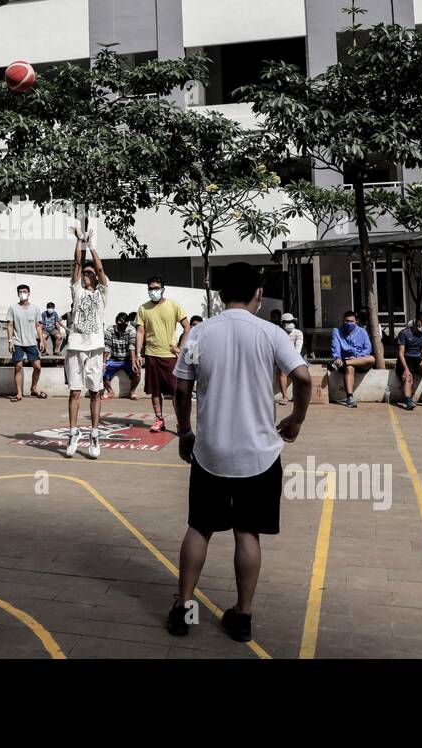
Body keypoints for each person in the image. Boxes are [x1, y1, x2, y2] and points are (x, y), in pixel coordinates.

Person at [167, 262, 311, 642]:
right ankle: (242, 616)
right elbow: (304, 377)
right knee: (248, 532)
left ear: (218, 294)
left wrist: (184, 432)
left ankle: (183, 609)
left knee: (199, 527)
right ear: (258, 296)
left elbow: (180, 389)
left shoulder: (200, 333)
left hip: (210, 452)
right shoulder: (271, 333)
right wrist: (296, 418)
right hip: (259, 455)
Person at [64, 228, 109, 458]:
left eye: (90, 273)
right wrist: (80, 242)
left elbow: (99, 269)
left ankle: (94, 433)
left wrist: (92, 245)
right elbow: (77, 263)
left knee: (95, 392)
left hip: (94, 348)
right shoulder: (78, 293)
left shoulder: (102, 294)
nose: (86, 275)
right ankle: (73, 433)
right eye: (85, 273)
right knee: (74, 392)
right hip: (75, 347)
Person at [136, 275, 189, 433]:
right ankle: (159, 420)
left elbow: (187, 327)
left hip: (170, 356)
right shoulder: (143, 308)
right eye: (150, 289)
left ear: (163, 289)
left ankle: (181, 423)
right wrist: (139, 354)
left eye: (156, 288)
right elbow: (140, 332)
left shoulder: (174, 306)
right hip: (151, 355)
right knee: (155, 390)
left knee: (175, 392)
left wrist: (180, 347)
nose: (153, 291)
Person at [7, 283, 46, 401]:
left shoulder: (35, 308)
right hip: (18, 342)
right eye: (20, 292)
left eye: (25, 291)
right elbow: (10, 325)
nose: (23, 293)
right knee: (18, 367)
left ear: (29, 293)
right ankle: (19, 393)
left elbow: (38, 325)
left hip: (32, 342)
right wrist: (10, 340)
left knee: (37, 367)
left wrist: (42, 340)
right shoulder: (13, 308)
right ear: (17, 294)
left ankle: (34, 388)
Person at [396, 307, 422, 411]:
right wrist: (406, 369)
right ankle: (408, 400)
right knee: (408, 376)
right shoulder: (404, 333)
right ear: (419, 320)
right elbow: (400, 354)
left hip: (417, 361)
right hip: (405, 361)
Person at [329, 309, 374, 407]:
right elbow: (335, 347)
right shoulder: (337, 332)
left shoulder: (362, 332)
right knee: (349, 368)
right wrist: (337, 357)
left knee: (371, 359)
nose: (349, 323)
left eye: (351, 321)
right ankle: (349, 397)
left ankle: (347, 362)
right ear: (343, 321)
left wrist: (356, 357)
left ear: (356, 321)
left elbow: (367, 349)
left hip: (360, 360)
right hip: (344, 362)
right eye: (347, 321)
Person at [102, 312, 141, 401]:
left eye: (122, 323)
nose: (120, 326)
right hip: (114, 359)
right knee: (101, 371)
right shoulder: (110, 329)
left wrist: (134, 363)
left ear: (127, 323)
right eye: (118, 323)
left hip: (127, 360)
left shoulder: (131, 330)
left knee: (138, 372)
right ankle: (110, 392)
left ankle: (132, 392)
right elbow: (107, 347)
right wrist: (103, 363)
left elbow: (132, 347)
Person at [277, 312, 305, 405]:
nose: (290, 323)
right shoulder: (277, 332)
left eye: (291, 321)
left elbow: (298, 349)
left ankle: (298, 396)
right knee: (282, 371)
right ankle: (285, 397)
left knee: (298, 373)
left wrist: (291, 360)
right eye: (287, 321)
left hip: (295, 357)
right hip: (281, 356)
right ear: (282, 323)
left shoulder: (298, 333)